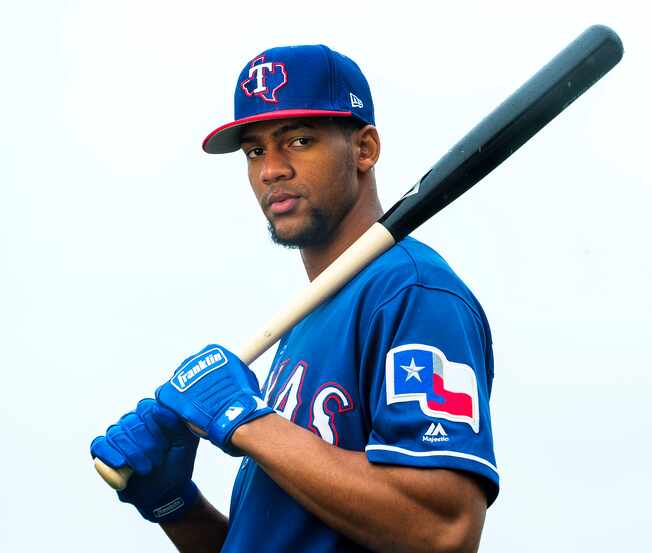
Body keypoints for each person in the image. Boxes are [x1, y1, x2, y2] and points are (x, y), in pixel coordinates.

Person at [91, 44, 498, 553]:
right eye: (255, 151)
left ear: (365, 149)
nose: (271, 170)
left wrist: (242, 420)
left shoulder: (410, 292)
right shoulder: (304, 325)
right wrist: (174, 503)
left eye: (299, 140)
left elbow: (443, 531)